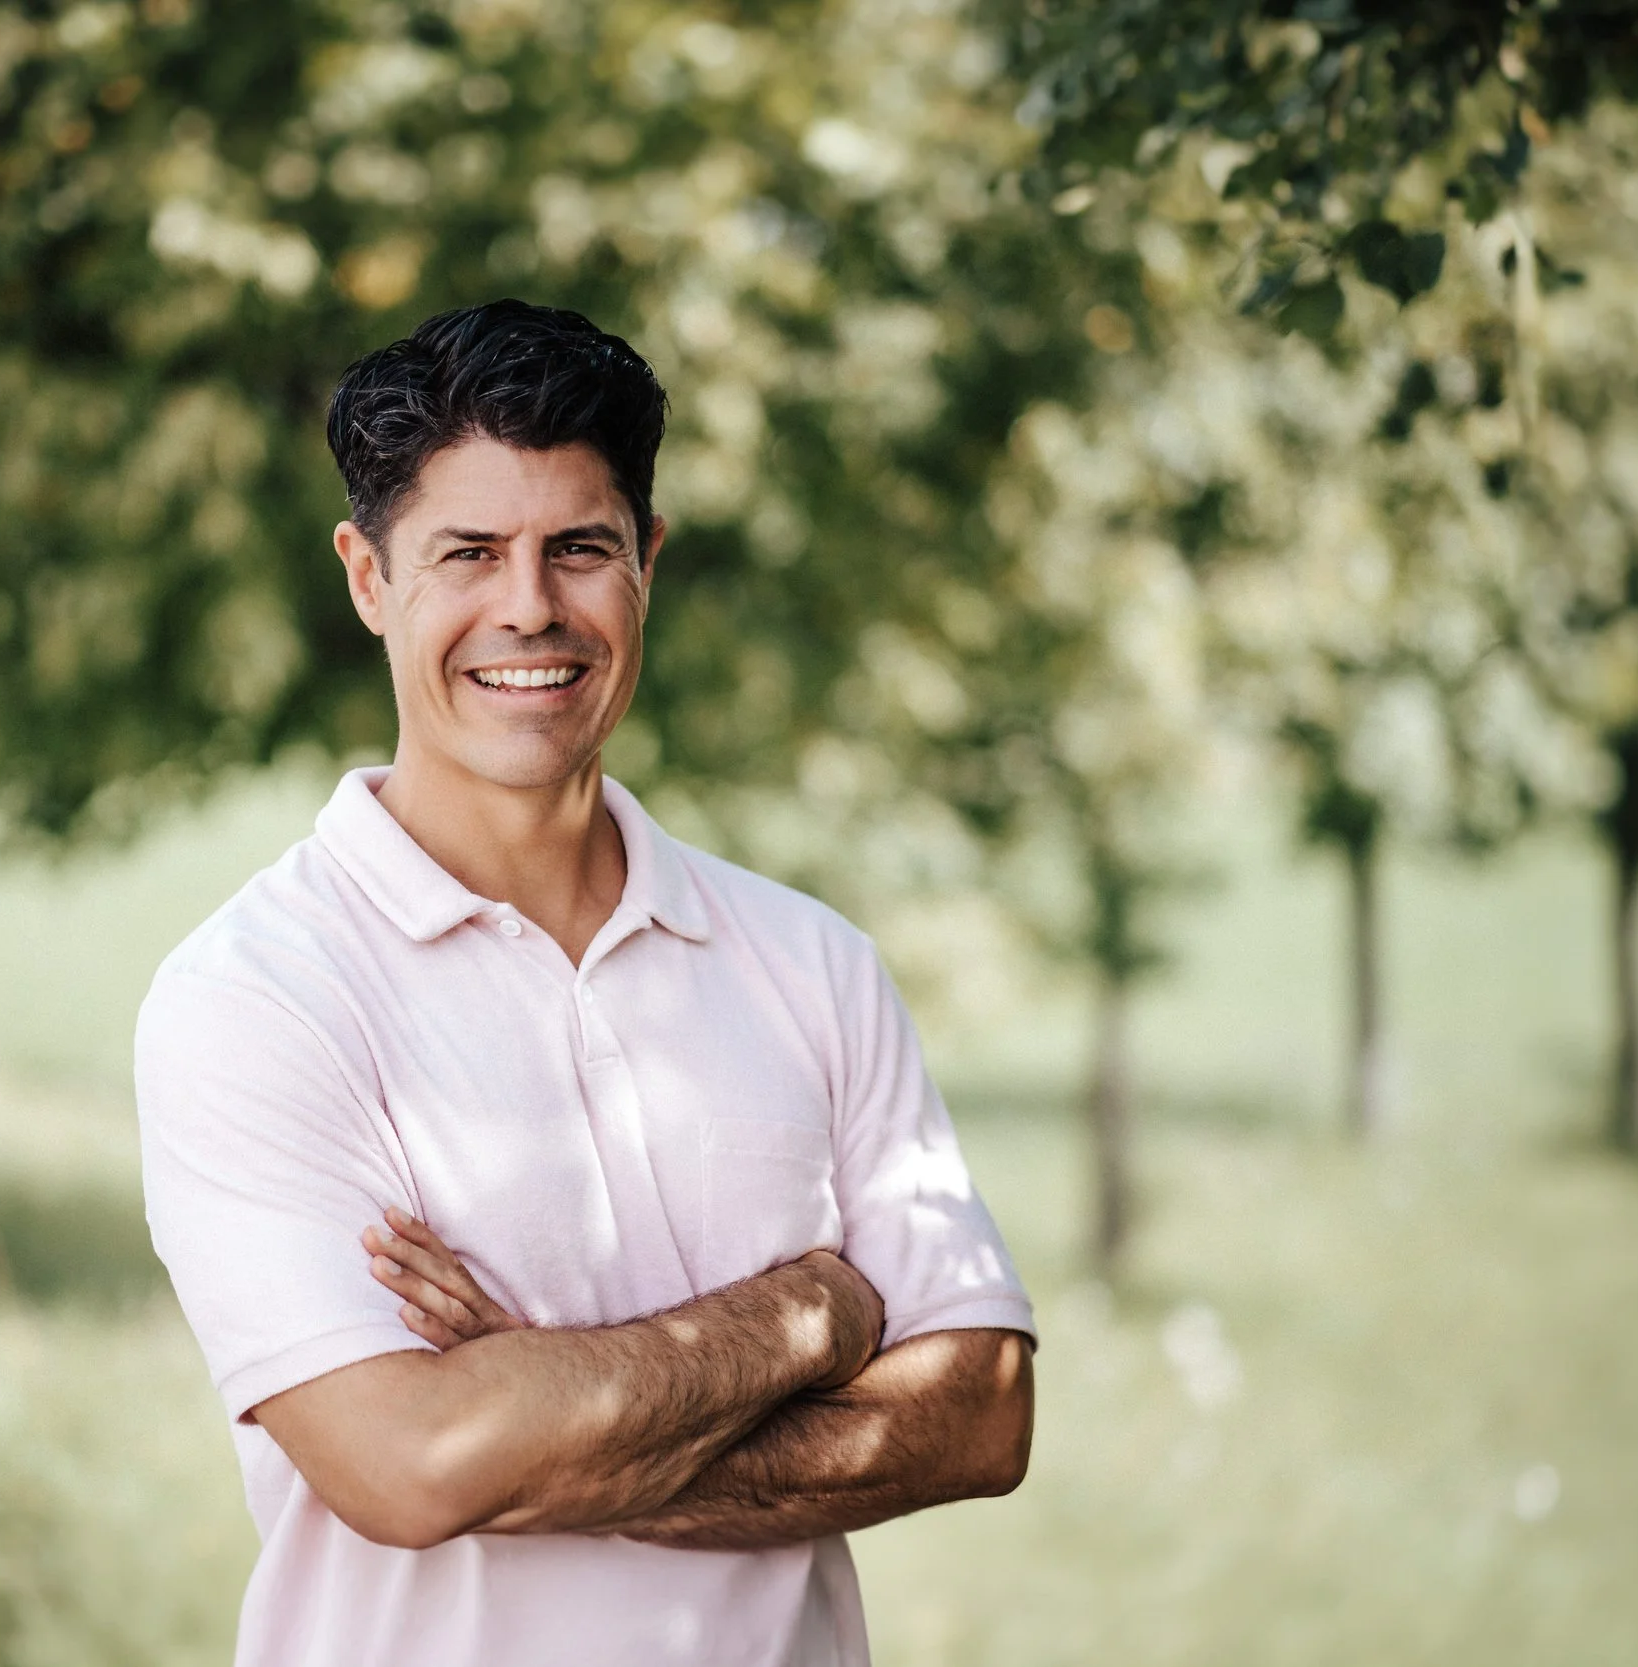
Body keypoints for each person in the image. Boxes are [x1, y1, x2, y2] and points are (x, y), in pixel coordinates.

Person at [135, 299, 1036, 1667]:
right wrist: (814, 1314)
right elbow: (417, 1467)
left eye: (580, 548)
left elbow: (981, 1411)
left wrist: (548, 1399)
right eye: (469, 552)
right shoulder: (257, 996)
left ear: (648, 562)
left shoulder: (812, 965)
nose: (530, 606)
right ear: (369, 577)